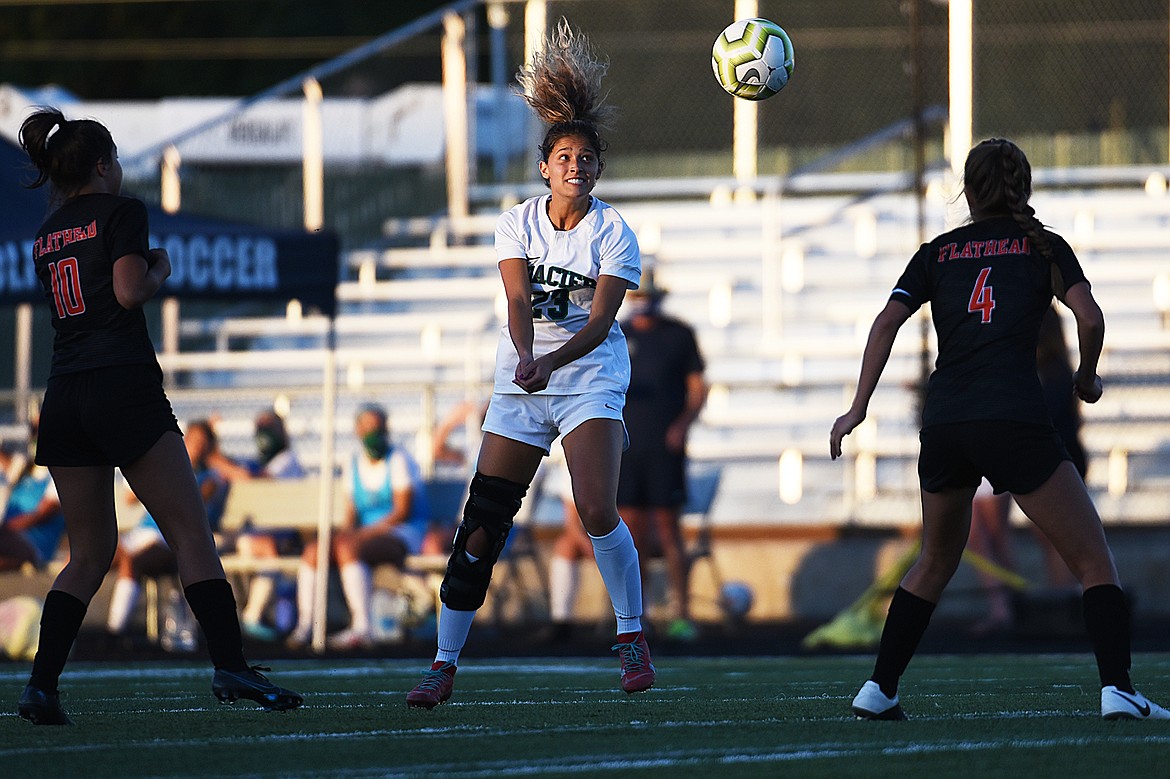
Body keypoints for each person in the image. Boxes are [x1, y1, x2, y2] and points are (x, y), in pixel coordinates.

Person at [830, 137, 1168, 721]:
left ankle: (879, 689)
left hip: (946, 420)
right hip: (1012, 417)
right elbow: (1089, 316)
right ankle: (1118, 689)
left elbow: (886, 322)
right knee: (1094, 562)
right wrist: (1086, 378)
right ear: (1023, 185)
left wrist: (857, 407)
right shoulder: (1044, 246)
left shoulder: (935, 251)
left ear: (968, 188)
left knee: (934, 562)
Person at [15, 108, 300, 725]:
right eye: (113, 159)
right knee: (191, 532)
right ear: (101, 165)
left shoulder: (47, 232)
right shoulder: (123, 212)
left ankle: (40, 686)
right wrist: (161, 265)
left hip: (64, 394)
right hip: (123, 386)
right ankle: (230, 664)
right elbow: (128, 290)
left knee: (87, 555)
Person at [405, 20, 654, 708]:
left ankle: (631, 633)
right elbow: (517, 297)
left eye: (586, 157)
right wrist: (524, 356)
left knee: (596, 505)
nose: (575, 164)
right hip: (524, 375)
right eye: (564, 155)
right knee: (482, 519)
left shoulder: (614, 231)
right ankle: (443, 661)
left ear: (598, 170)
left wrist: (550, 362)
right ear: (545, 166)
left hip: (588, 374)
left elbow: (601, 319)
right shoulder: (517, 221)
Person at [288, 404, 430, 650]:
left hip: (401, 534)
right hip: (364, 536)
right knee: (314, 550)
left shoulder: (398, 459)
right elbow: (351, 514)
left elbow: (401, 512)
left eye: (378, 427)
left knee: (349, 547)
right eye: (367, 427)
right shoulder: (352, 463)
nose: (373, 432)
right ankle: (305, 626)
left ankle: (362, 627)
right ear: (357, 430)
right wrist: (343, 534)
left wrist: (360, 534)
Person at [617, 271, 707, 641]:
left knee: (669, 531)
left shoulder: (678, 335)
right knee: (632, 533)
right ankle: (638, 616)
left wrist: (683, 424)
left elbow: (697, 387)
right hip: (625, 445)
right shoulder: (616, 332)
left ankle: (680, 611)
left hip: (664, 447)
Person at [105, 420, 226, 641]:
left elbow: (190, 503)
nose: (197, 447)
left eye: (202, 443)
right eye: (193, 441)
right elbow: (129, 498)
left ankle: (114, 631)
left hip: (168, 540)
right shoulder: (169, 468)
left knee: (131, 562)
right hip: (141, 534)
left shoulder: (209, 479)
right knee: (92, 557)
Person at [206, 410, 306, 641]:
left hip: (279, 535)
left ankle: (253, 616)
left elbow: (255, 480)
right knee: (204, 544)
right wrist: (214, 441)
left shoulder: (287, 460)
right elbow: (234, 469)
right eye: (260, 426)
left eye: (270, 426)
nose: (264, 432)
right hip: (245, 533)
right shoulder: (256, 460)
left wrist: (214, 457)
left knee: (264, 548)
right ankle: (210, 623)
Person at [0, 438, 65, 574]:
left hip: (34, 546)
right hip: (10, 539)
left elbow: (41, 514)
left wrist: (7, 529)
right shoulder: (20, 479)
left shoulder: (55, 479)